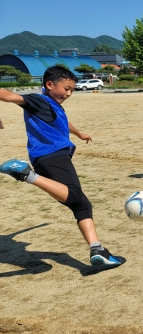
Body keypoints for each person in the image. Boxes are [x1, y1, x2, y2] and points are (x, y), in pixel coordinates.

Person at [0, 65, 121, 267]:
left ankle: (97, 250)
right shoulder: (38, 100)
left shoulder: (51, 105)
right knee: (76, 198)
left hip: (52, 156)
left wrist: (79, 134)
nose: (69, 93)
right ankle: (27, 175)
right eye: (66, 88)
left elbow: (62, 122)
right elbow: (7, 95)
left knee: (81, 205)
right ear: (49, 84)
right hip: (51, 156)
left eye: (72, 90)